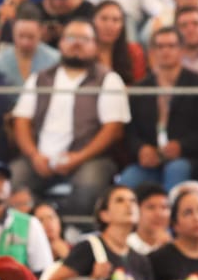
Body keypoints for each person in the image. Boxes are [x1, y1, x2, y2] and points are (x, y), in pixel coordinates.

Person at [8, 18, 130, 218]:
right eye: (71, 37)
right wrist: (34, 155)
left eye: (84, 39)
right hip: (40, 157)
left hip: (88, 157)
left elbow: (113, 129)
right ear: (61, 43)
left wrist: (78, 158)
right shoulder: (40, 78)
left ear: (95, 45)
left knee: (89, 186)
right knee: (12, 180)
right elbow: (21, 121)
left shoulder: (108, 79)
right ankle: (42, 221)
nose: (77, 43)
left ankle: (69, 231)